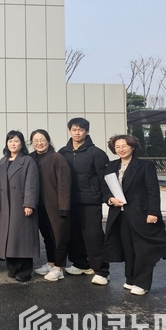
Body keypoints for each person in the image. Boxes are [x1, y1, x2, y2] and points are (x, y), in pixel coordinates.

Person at [103, 135, 166, 295]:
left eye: (124, 146)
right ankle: (130, 279)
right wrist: (110, 199)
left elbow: (153, 191)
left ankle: (142, 283)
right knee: (127, 248)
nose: (120, 149)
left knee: (144, 249)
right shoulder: (112, 165)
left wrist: (153, 212)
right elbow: (104, 187)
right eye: (117, 147)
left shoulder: (145, 166)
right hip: (119, 214)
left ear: (133, 147)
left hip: (141, 213)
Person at [58, 117, 110, 285]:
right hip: (69, 201)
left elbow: (105, 178)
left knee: (93, 236)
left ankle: (102, 271)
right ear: (69, 131)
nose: (77, 133)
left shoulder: (97, 153)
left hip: (90, 201)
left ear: (87, 131)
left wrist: (107, 198)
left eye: (81, 130)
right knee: (74, 235)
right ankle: (81, 264)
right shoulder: (63, 152)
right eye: (74, 129)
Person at [0, 130, 40, 282]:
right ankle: (12, 268)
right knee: (8, 238)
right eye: (10, 141)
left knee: (22, 238)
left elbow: (32, 184)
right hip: (5, 205)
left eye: (16, 141)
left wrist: (29, 204)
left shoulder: (27, 161)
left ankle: (24, 271)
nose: (13, 144)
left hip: (20, 204)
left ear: (22, 144)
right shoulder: (3, 161)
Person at [30, 129, 71, 282]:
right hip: (38, 205)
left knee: (58, 236)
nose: (39, 143)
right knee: (47, 236)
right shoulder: (30, 158)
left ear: (48, 140)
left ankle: (59, 268)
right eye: (35, 140)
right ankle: (51, 263)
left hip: (55, 205)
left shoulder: (57, 158)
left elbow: (64, 184)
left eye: (42, 140)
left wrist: (64, 206)